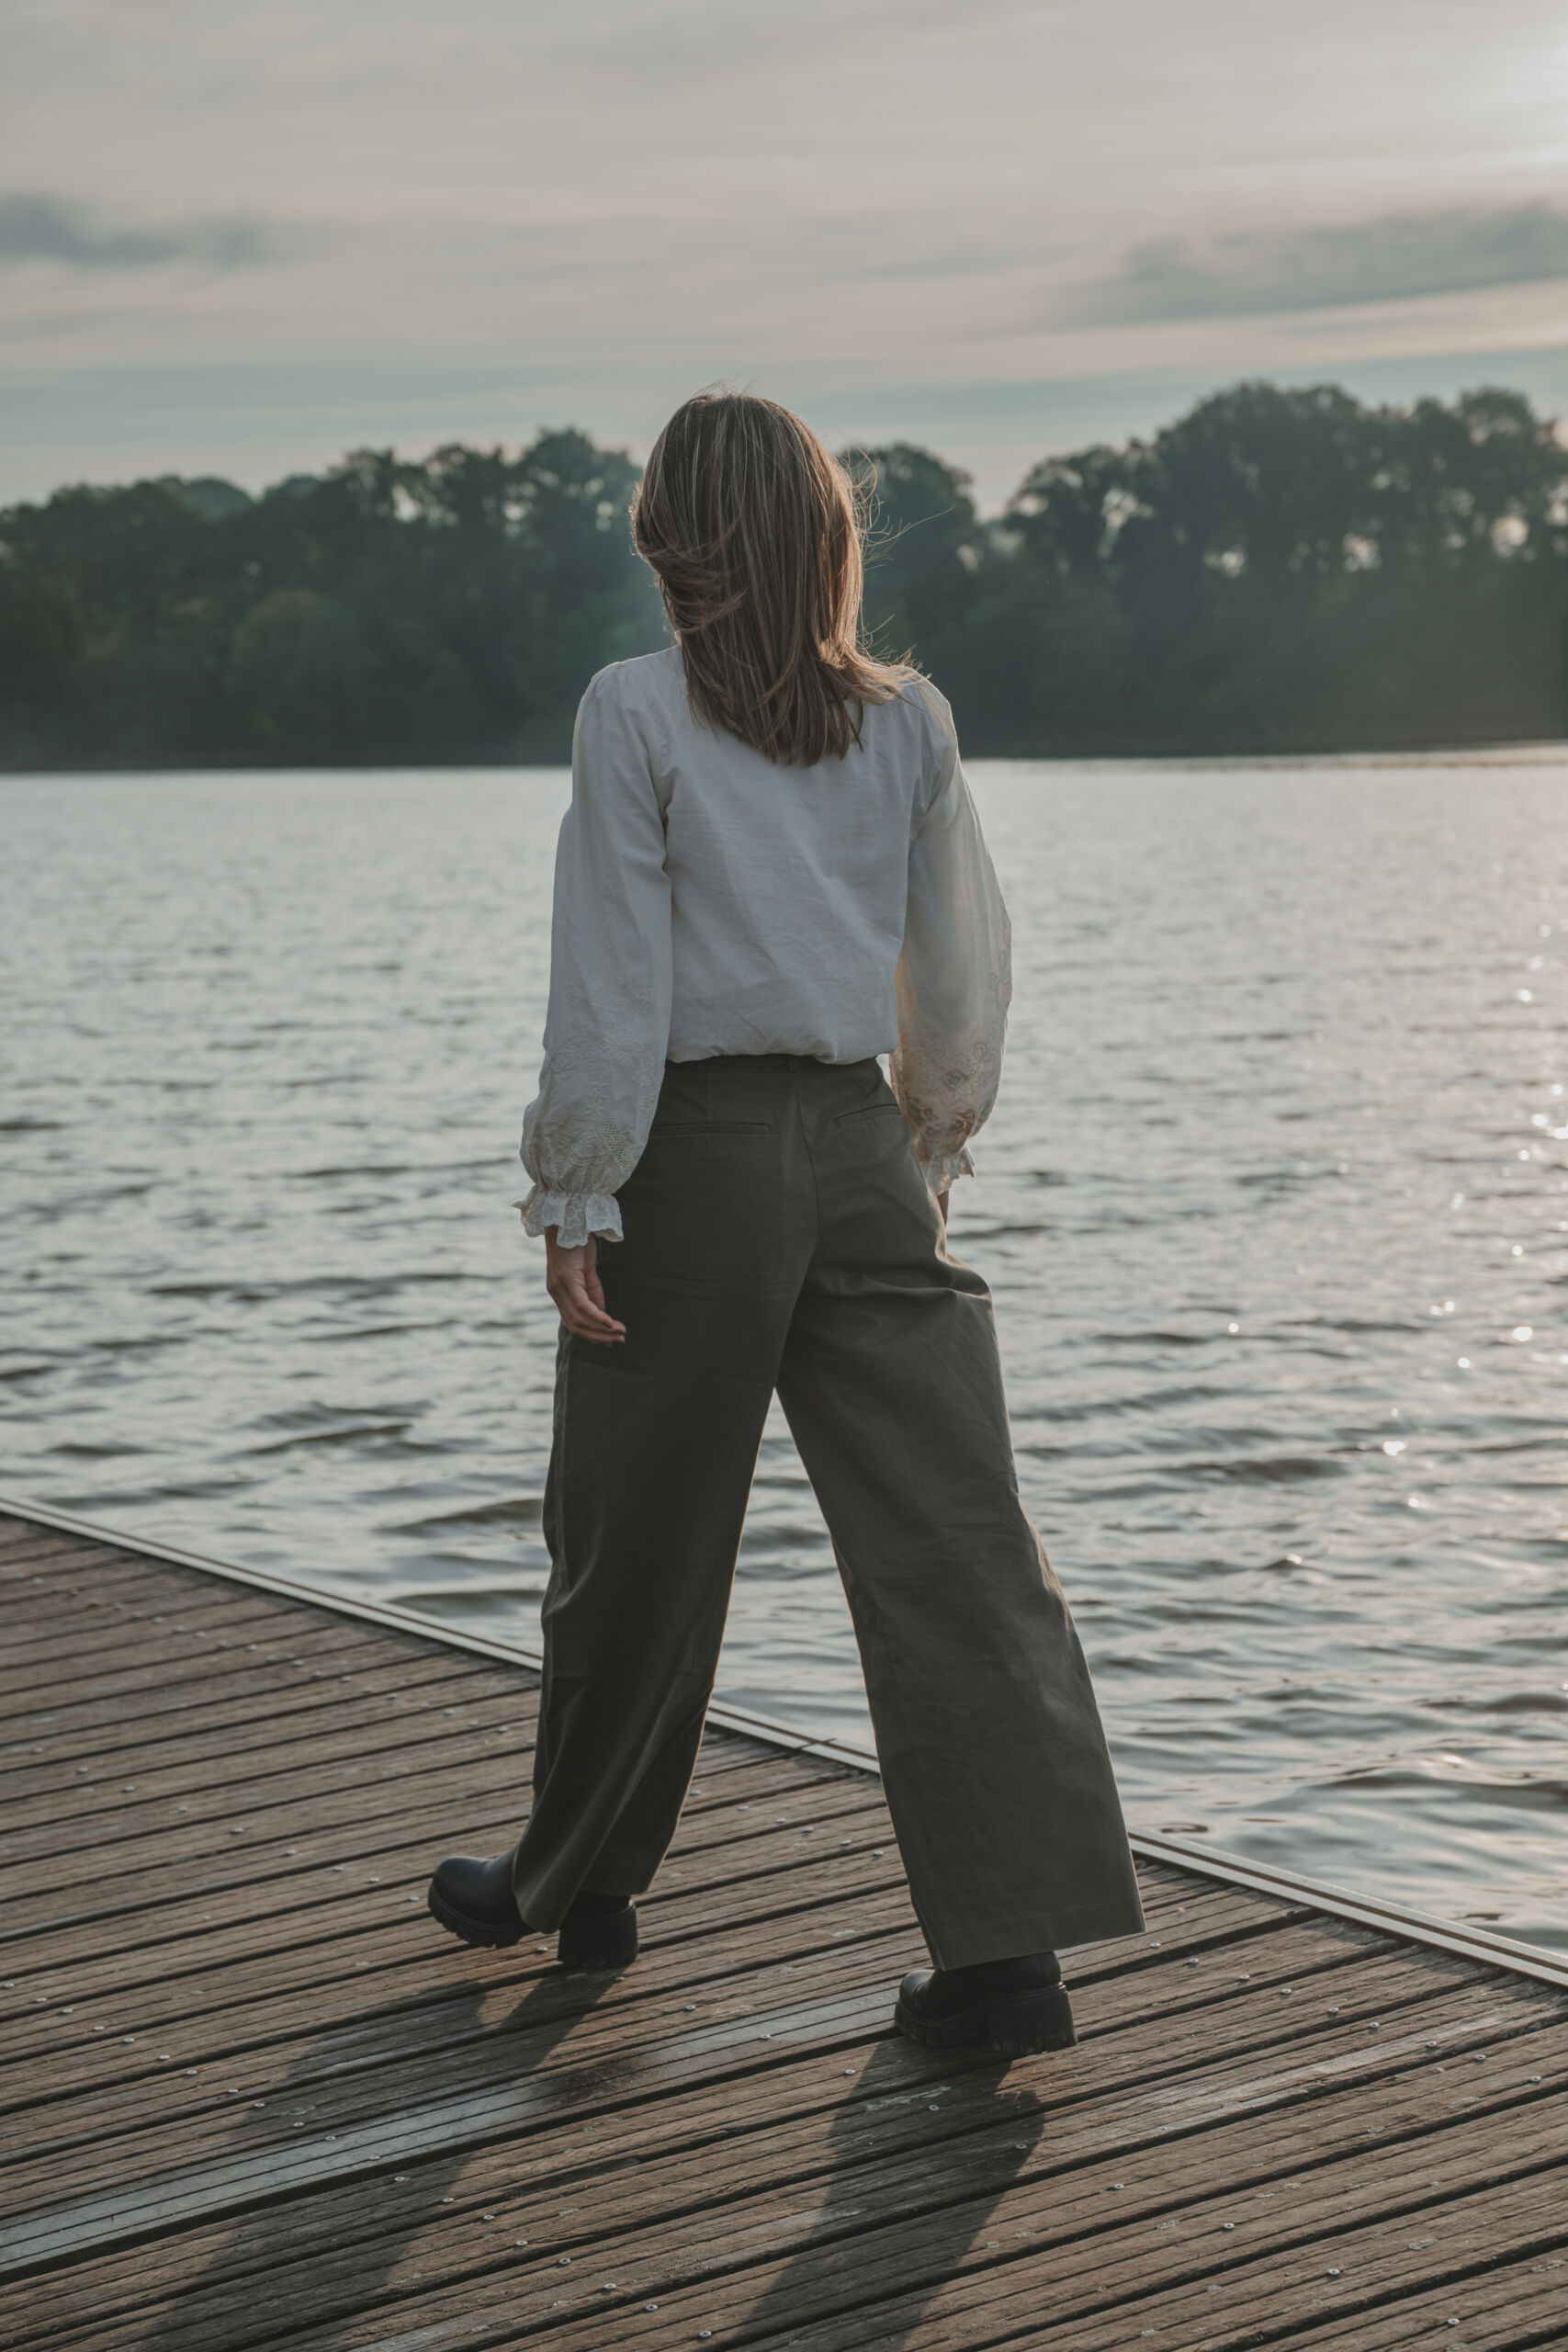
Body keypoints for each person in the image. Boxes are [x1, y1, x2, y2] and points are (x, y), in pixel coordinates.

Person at [428, 390, 1144, 2054]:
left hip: (692, 1152)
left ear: (676, 548)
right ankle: (1008, 1960)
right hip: (860, 1147)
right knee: (961, 1546)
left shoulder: (635, 713)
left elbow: (612, 978)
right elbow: (957, 976)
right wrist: (924, 1149)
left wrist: (577, 1186)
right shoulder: (907, 721)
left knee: (634, 1534)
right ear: (825, 540)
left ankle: (577, 1883)